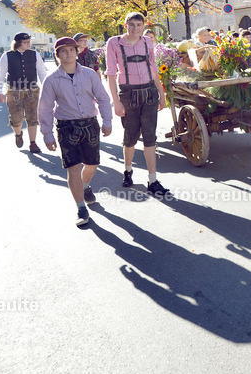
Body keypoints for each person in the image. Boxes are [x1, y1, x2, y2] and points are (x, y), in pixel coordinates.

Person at [39, 37, 114, 227]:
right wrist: (47, 135)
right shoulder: (51, 80)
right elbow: (45, 109)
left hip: (90, 125)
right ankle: (81, 207)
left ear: (76, 52)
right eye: (63, 51)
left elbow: (103, 99)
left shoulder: (89, 75)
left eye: (71, 50)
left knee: (92, 164)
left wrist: (107, 121)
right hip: (66, 127)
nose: (69, 54)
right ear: (57, 56)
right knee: (73, 168)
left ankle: (86, 186)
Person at [105, 12, 168, 194]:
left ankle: (152, 180)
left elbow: (154, 68)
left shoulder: (147, 42)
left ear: (143, 26)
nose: (135, 28)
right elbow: (110, 73)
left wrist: (161, 94)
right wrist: (116, 102)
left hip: (149, 92)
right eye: (131, 24)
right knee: (130, 136)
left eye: (138, 25)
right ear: (125, 25)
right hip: (128, 93)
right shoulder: (114, 43)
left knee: (150, 137)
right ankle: (128, 170)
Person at [0, 32, 48, 153]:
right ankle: (18, 134)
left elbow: (42, 73)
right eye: (25, 42)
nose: (29, 43)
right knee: (16, 118)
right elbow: (0, 75)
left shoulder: (35, 55)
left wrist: (46, 88)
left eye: (29, 41)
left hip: (32, 90)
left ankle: (33, 143)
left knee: (32, 117)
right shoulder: (7, 56)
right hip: (14, 91)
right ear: (18, 43)